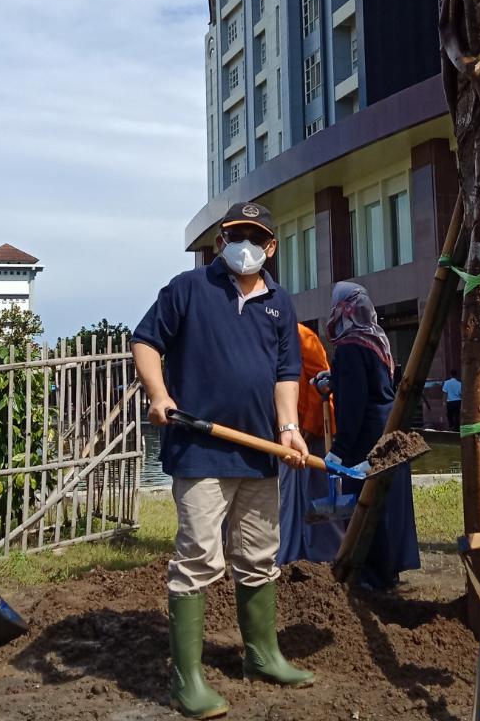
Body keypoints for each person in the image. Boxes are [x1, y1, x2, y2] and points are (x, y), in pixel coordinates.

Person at [132, 202, 314, 719]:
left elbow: (285, 373)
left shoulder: (281, 302)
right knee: (199, 559)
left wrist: (289, 430)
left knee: (259, 555)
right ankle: (185, 679)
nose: (244, 244)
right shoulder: (188, 289)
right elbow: (145, 341)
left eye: (255, 237)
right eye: (234, 235)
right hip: (200, 448)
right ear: (220, 242)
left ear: (271, 247)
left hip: (259, 453)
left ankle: (262, 655)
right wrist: (160, 393)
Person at [327, 281, 420, 590]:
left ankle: (372, 575)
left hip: (365, 440)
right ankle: (391, 570)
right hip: (389, 430)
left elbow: (353, 403)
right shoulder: (377, 340)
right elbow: (374, 385)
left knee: (366, 506)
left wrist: (339, 450)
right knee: (390, 503)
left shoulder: (349, 346)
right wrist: (334, 380)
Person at [277, 323, 342, 564]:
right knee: (289, 495)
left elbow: (319, 383)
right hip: (286, 433)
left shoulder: (304, 337)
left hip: (312, 432)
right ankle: (292, 549)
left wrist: (309, 426)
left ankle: (325, 553)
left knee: (318, 493)